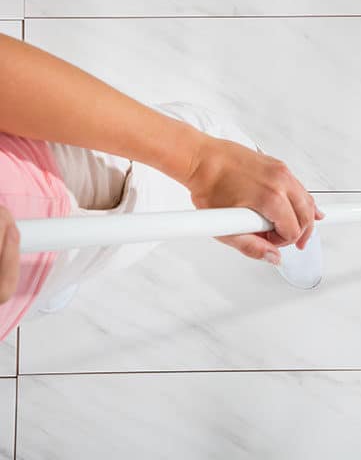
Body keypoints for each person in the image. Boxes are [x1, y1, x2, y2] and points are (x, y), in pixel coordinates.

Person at [0, 33, 322, 340]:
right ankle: (52, 285)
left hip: (49, 176)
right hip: (19, 286)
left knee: (149, 191)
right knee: (65, 272)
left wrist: (203, 163)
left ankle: (226, 151)